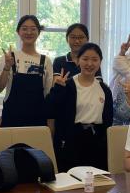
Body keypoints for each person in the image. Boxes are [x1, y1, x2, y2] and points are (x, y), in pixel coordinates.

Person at [47, 43, 113, 172]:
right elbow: (51, 110)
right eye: (85, 59)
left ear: (100, 62)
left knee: (96, 180)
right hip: (71, 141)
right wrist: (58, 89)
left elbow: (108, 120)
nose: (90, 63)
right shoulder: (66, 85)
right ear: (78, 60)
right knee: (71, 179)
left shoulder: (104, 89)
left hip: (96, 143)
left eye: (94, 59)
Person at [0, 15, 53, 127]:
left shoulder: (46, 61)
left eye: (33, 29)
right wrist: (7, 67)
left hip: (37, 121)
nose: (29, 32)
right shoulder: (9, 57)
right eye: (24, 28)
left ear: (38, 32)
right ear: (18, 32)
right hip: (12, 121)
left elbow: (48, 94)